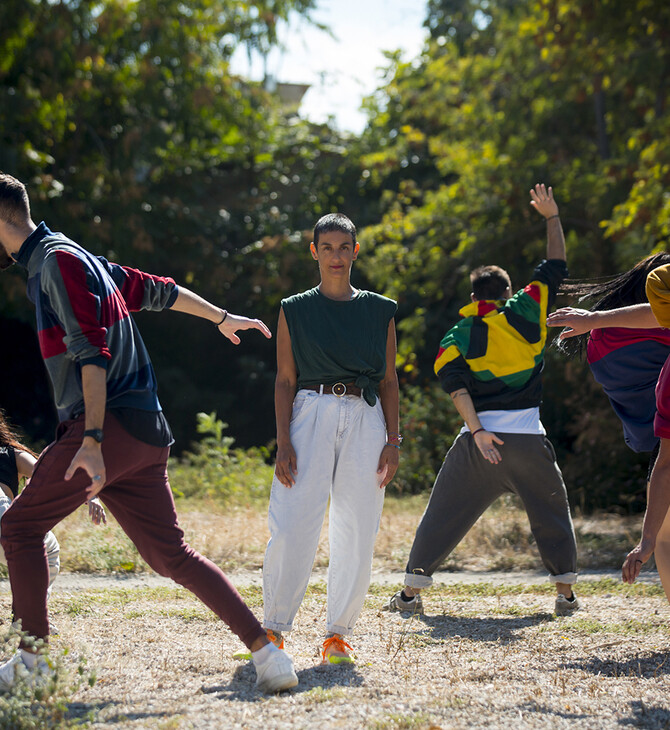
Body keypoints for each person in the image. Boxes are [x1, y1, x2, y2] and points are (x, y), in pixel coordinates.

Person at [0, 172, 297, 694]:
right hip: (143, 432)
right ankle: (269, 655)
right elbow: (158, 291)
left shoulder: (56, 262)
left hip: (107, 428)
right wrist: (220, 316)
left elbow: (92, 354)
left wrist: (90, 440)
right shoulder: (77, 257)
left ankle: (33, 663)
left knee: (19, 529)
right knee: (171, 556)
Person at [385, 184, 580, 617]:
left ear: (474, 297)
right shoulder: (528, 309)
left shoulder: (457, 335)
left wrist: (478, 433)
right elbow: (556, 264)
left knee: (442, 516)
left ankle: (409, 596)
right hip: (529, 439)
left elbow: (456, 386)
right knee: (552, 512)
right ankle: (566, 596)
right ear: (509, 291)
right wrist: (551, 216)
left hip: (478, 443)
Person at [260, 213, 399, 664]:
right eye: (328, 247)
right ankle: (274, 629)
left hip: (366, 417)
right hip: (310, 412)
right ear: (314, 251)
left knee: (357, 527)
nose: (336, 256)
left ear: (355, 251)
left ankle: (338, 635)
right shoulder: (294, 308)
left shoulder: (381, 310)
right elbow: (284, 380)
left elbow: (391, 381)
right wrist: (284, 442)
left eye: (344, 247)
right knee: (291, 521)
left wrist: (393, 441)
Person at [546, 261, 670, 599]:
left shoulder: (604, 341)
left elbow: (664, 465)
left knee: (664, 536)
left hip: (659, 439)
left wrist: (594, 320)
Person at [0, 408, 106, 629]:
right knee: (49, 552)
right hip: (4, 521)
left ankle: (26, 617)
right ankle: (28, 616)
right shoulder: (10, 453)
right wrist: (91, 497)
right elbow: (52, 476)